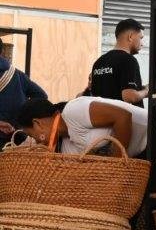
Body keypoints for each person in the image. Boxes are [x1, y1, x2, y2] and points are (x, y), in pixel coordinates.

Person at [16, 96, 148, 157]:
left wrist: (116, 166)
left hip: (154, 135)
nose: (36, 141)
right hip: (139, 156)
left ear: (37, 123)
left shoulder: (73, 110)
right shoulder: (66, 145)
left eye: (31, 135)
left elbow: (123, 116)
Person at [86, 18, 148, 106]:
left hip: (100, 114)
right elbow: (130, 97)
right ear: (130, 36)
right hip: (123, 114)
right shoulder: (129, 60)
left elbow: (109, 91)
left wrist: (139, 89)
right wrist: (146, 91)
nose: (142, 43)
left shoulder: (98, 63)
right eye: (140, 38)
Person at [0, 39, 47, 141]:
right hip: (17, 135)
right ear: (2, 51)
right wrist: (23, 115)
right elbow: (41, 95)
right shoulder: (16, 73)